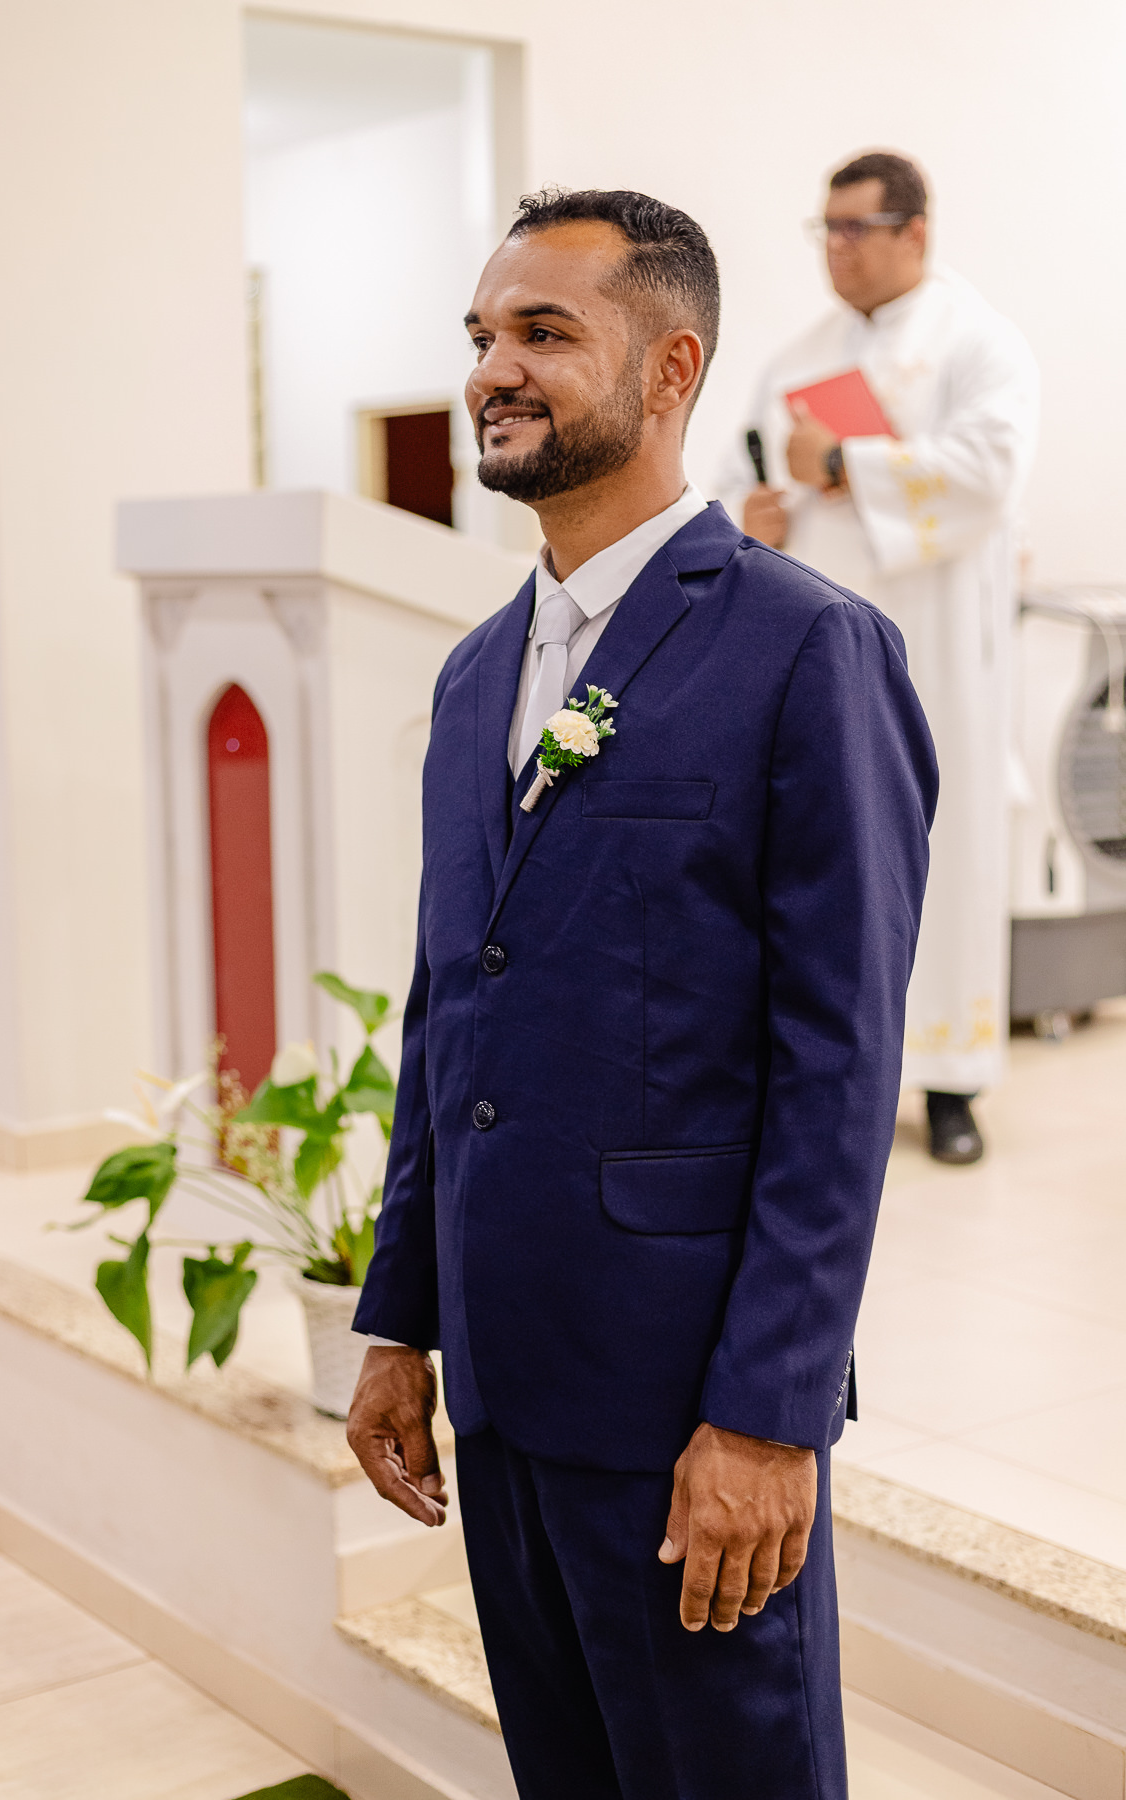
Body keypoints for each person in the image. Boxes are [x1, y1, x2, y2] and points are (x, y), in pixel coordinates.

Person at [347, 188, 936, 1800]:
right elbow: (445, 1018)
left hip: (692, 1404)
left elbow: (838, 1067)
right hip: (507, 1376)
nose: (492, 369)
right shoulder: (477, 677)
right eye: (483, 334)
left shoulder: (809, 651)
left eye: (545, 332)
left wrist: (769, 1415)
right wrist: (402, 1315)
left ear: (672, 369)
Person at [729, 151, 1038, 1164]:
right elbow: (748, 472)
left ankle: (950, 1082)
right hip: (821, 642)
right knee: (823, 845)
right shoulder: (795, 358)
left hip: (939, 644)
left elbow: (990, 473)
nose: (836, 250)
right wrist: (760, 511)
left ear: (916, 231)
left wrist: (847, 464)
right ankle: (835, 1072)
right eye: (824, 229)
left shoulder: (979, 342)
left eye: (855, 229)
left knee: (940, 850)